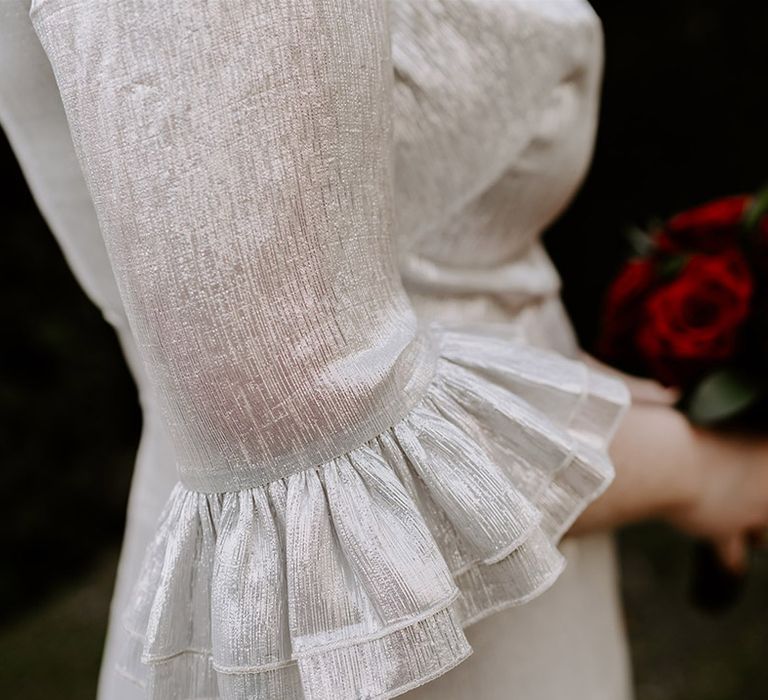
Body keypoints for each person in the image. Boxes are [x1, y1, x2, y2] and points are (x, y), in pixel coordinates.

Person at [1, 1, 767, 698]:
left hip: (502, 571)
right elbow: (291, 401)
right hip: (361, 634)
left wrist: (573, 384)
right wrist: (707, 471)